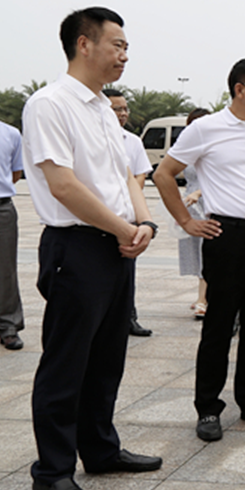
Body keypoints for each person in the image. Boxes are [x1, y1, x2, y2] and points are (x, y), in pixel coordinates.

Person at [22, 6, 162, 490]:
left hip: (116, 246)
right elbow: (63, 185)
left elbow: (126, 175)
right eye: (117, 45)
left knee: (106, 358)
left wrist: (143, 223)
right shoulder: (50, 104)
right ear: (84, 44)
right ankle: (53, 470)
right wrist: (124, 229)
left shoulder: (103, 107)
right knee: (66, 363)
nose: (124, 55)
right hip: (77, 247)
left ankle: (100, 449)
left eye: (126, 47)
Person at [154, 58, 245, 442]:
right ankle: (208, 407)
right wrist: (186, 221)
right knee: (219, 325)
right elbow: (164, 174)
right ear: (240, 89)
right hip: (227, 236)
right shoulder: (206, 128)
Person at [103, 88, 154, 337]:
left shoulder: (132, 141)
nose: (123, 113)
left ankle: (128, 317)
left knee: (127, 271)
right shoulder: (94, 137)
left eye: (125, 109)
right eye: (117, 109)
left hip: (128, 215)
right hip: (99, 215)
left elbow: (140, 174)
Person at [0, 76, 25, 350]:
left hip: (0, 211)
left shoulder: (11, 134)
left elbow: (16, 173)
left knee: (6, 271)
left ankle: (9, 326)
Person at [174, 108, 211, 319]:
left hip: (208, 203)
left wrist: (199, 192)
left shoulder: (215, 148)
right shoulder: (186, 149)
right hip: (190, 205)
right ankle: (203, 294)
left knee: (207, 251)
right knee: (196, 251)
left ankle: (202, 299)